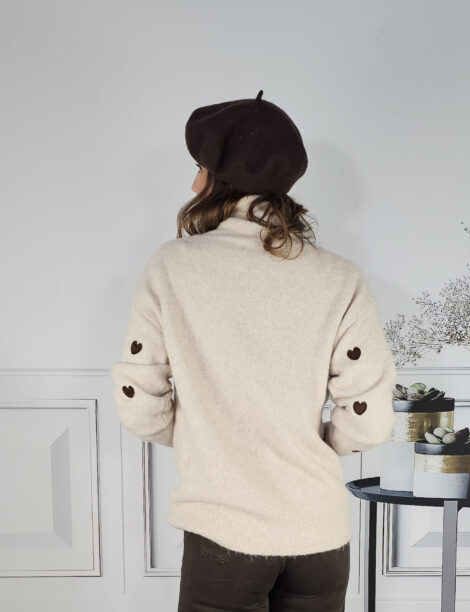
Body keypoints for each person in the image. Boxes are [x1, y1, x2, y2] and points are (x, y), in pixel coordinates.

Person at [111, 90, 397, 611]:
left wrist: (207, 437)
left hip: (224, 532)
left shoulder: (172, 267)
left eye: (199, 168)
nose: (193, 183)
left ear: (218, 179)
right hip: (320, 536)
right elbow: (370, 421)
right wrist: (301, 446)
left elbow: (139, 403)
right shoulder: (340, 277)